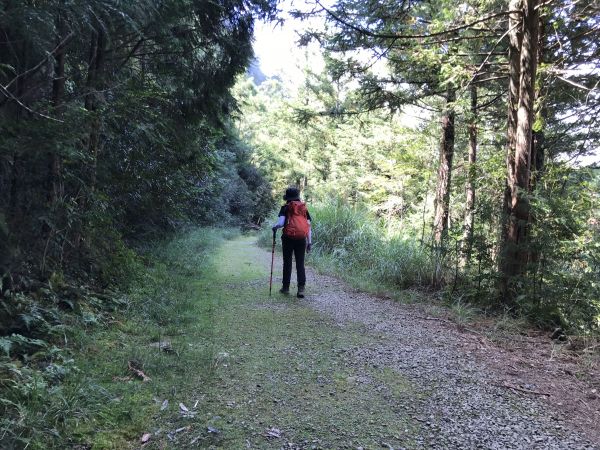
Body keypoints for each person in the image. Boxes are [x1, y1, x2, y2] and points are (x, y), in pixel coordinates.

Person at [272, 187, 312, 298]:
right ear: (298, 196)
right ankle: (301, 289)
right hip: (301, 239)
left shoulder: (285, 207)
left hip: (288, 238)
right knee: (300, 263)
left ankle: (285, 288)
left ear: (287, 197)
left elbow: (280, 223)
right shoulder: (303, 208)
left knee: (287, 262)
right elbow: (308, 226)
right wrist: (309, 242)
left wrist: (274, 227)